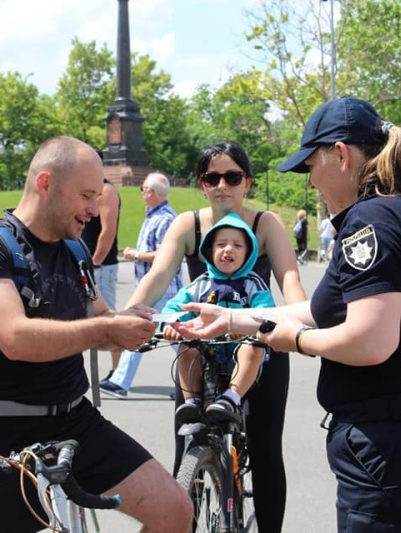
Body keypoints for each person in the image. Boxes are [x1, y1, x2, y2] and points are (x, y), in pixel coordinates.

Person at [175, 98, 401, 532]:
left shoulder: (370, 221)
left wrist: (297, 342)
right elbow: (321, 310)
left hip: (398, 455)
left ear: (341, 155)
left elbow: (370, 341)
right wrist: (233, 319)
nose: (310, 185)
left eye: (310, 167)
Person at [0, 136, 191, 532]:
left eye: (97, 197)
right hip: (6, 435)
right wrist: (107, 326)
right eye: (85, 196)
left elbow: (99, 322)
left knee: (173, 510)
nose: (94, 211)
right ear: (45, 184)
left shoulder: (75, 250)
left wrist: (142, 326)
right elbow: (16, 338)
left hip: (76, 423)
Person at [121, 141, 307, 532]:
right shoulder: (188, 224)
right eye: (212, 177)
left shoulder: (265, 223)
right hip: (201, 343)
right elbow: (159, 276)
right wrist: (129, 316)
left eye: (232, 176)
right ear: (202, 184)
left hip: (257, 341)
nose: (222, 184)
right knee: (185, 443)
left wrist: (300, 321)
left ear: (247, 183)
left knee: (264, 448)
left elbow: (290, 278)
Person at [161, 213, 275, 425]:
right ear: (209, 251)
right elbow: (176, 306)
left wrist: (246, 325)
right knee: (187, 347)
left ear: (249, 253)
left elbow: (266, 312)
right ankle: (192, 402)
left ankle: (231, 398)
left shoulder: (253, 284)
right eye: (221, 244)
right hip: (207, 353)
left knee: (251, 346)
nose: (228, 249)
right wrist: (170, 324)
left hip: (241, 356)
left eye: (237, 245)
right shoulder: (201, 284)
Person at [100, 172, 184, 399]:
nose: (142, 194)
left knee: (150, 331)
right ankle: (194, 382)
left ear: (152, 192)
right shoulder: (156, 216)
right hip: (156, 288)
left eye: (144, 189)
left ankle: (120, 381)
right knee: (173, 337)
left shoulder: (165, 219)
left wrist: (136, 254)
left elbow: (166, 255)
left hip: (163, 289)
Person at [81, 147, 122, 376]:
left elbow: (107, 232)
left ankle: (117, 372)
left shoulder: (106, 191)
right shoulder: (89, 190)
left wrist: (94, 262)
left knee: (108, 317)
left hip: (102, 266)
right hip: (90, 265)